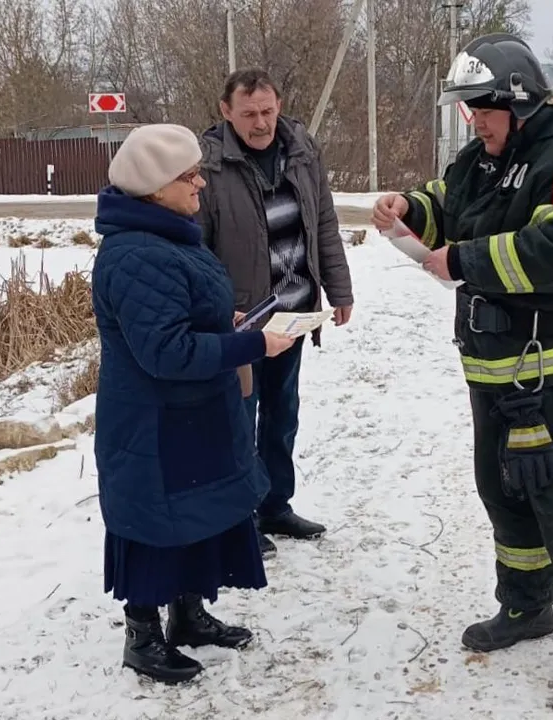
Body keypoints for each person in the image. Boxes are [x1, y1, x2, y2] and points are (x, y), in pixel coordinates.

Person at [370, 34, 553, 714]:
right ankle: (527, 607)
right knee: (505, 491)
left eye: (483, 110)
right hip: (495, 370)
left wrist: (463, 261)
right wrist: (410, 209)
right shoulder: (487, 157)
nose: (474, 122)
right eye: (467, 111)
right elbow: (448, 198)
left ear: (518, 102)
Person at [91, 123, 296, 683]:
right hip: (154, 422)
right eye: (189, 176)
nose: (201, 184)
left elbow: (183, 316)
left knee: (192, 514)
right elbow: (165, 351)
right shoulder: (136, 254)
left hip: (190, 413)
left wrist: (230, 323)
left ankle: (188, 615)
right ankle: (143, 636)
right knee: (155, 521)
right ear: (157, 186)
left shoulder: (167, 235)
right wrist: (253, 343)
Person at [196, 68, 354, 556]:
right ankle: (237, 518)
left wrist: (338, 287)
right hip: (243, 321)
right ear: (226, 112)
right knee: (238, 417)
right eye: (248, 114)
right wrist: (218, 312)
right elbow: (197, 247)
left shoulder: (301, 149)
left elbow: (322, 219)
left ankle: (274, 506)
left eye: (267, 111)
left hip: (294, 313)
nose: (261, 123)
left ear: (278, 105)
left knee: (282, 413)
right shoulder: (208, 163)